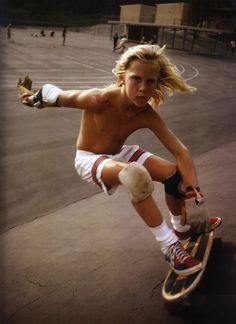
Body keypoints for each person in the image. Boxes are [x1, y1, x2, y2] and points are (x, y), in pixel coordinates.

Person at [17, 44, 221, 276]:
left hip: (120, 152)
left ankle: (182, 227)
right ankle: (170, 246)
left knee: (175, 175)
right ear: (121, 78)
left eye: (150, 82)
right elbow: (54, 95)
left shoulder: (146, 113)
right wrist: (31, 98)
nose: (143, 89)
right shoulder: (97, 100)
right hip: (89, 158)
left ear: (156, 83)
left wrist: (195, 192)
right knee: (135, 176)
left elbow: (181, 152)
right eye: (136, 79)